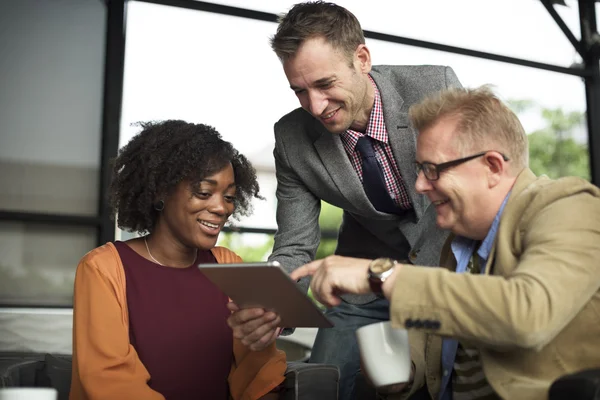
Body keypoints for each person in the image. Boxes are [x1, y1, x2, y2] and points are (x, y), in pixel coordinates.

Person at [290, 86, 600, 399]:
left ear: (492, 167)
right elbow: (432, 337)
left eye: (432, 170)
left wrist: (380, 274)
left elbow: (528, 314)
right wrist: (404, 373)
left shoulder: (569, 206)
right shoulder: (457, 245)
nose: (420, 185)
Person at [226, 2, 462, 399]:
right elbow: (295, 245)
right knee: (320, 381)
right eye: (300, 91)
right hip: (364, 283)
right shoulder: (292, 139)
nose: (315, 106)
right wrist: (272, 304)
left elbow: (482, 187)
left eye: (324, 84)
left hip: (449, 274)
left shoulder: (435, 87)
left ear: (362, 58)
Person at [69, 120, 286, 400]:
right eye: (204, 193)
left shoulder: (228, 266)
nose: (221, 208)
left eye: (229, 196)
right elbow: (109, 379)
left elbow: (260, 371)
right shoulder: (103, 268)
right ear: (160, 191)